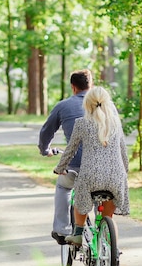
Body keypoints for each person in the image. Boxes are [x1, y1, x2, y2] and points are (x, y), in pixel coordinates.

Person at [53, 86, 129, 247]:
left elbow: (70, 150)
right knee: (109, 218)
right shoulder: (116, 123)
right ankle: (110, 249)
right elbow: (123, 151)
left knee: (79, 200)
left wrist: (60, 168)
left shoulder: (82, 123)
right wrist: (125, 172)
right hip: (116, 176)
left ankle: (78, 234)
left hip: (90, 177)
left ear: (87, 104)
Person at [38, 69, 93, 245]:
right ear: (90, 86)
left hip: (75, 167)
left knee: (64, 187)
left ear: (73, 87)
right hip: (102, 166)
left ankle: (62, 230)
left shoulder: (63, 106)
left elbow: (46, 131)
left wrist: (44, 150)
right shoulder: (103, 105)